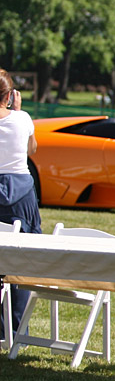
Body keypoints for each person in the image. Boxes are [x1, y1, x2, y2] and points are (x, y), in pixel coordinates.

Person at [0, 69, 42, 337]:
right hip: (21, 192)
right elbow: (32, 149)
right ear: (9, 95)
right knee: (23, 258)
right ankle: (16, 328)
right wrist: (16, 110)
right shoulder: (22, 118)